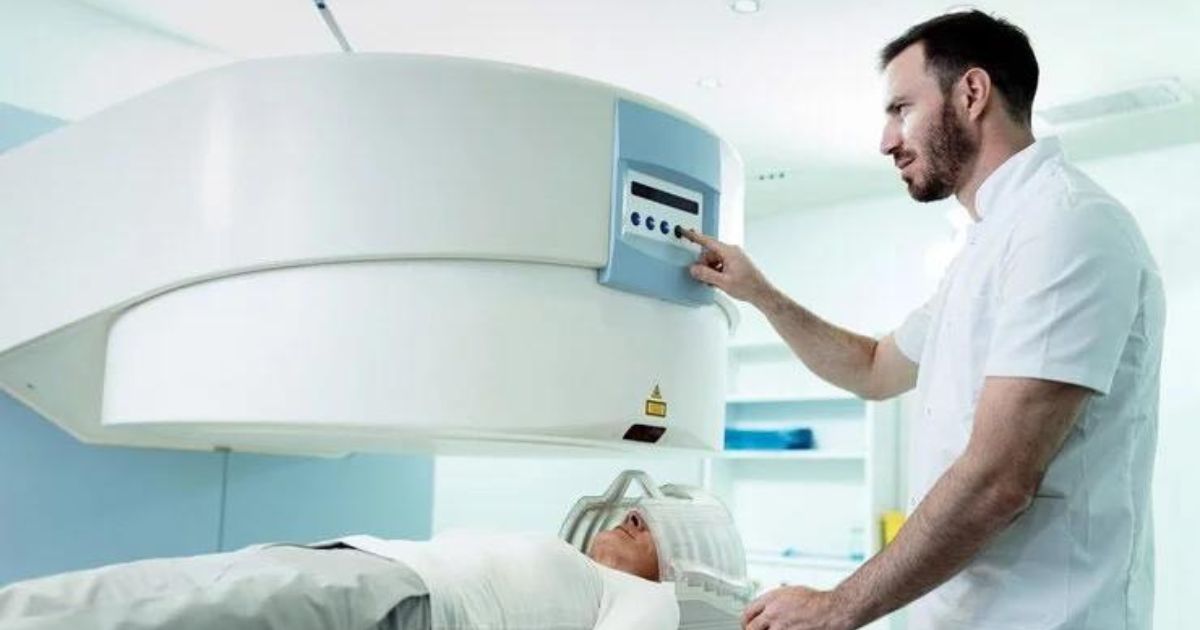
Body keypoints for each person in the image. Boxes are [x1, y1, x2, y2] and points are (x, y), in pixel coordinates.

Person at [686, 9, 1164, 630]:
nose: (886, 140)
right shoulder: (988, 245)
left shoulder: (1066, 225)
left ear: (971, 93)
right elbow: (875, 368)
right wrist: (759, 293)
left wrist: (839, 607)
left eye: (900, 109)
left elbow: (1000, 479)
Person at [0, 510, 677, 630]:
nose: (634, 519)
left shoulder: (653, 602)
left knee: (154, 610)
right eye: (636, 513)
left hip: (397, 602)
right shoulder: (568, 558)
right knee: (165, 590)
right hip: (365, 565)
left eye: (653, 528)